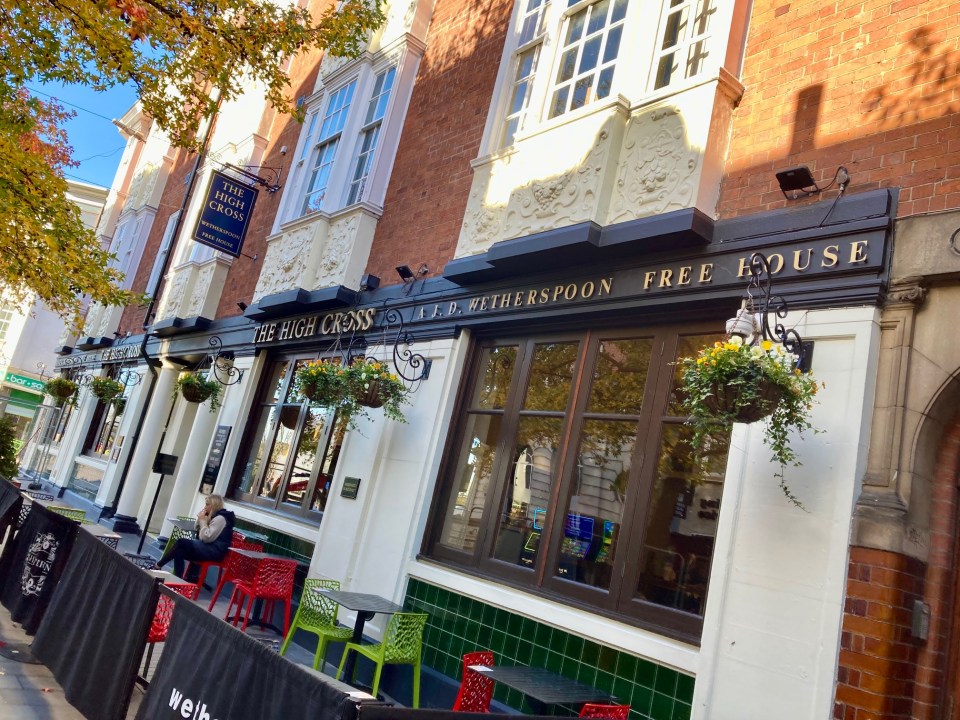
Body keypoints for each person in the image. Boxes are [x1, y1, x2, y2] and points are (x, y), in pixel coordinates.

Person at [155, 494, 235, 579]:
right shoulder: (213, 516)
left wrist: (203, 521)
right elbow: (196, 528)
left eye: (207, 504)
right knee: (179, 551)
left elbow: (206, 538)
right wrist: (200, 519)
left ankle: (158, 565)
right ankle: (177, 580)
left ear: (214, 505)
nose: (205, 507)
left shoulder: (220, 519)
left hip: (215, 551)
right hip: (207, 548)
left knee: (181, 542)